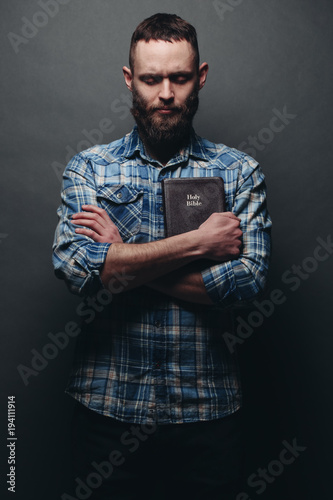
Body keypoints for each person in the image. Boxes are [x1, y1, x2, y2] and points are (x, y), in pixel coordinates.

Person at [53, 13, 271, 500]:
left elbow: (246, 281)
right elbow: (75, 267)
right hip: (106, 411)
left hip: (208, 414)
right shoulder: (90, 168)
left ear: (202, 76)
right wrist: (197, 245)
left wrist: (120, 258)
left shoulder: (239, 172)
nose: (166, 94)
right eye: (152, 79)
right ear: (131, 80)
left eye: (180, 77)